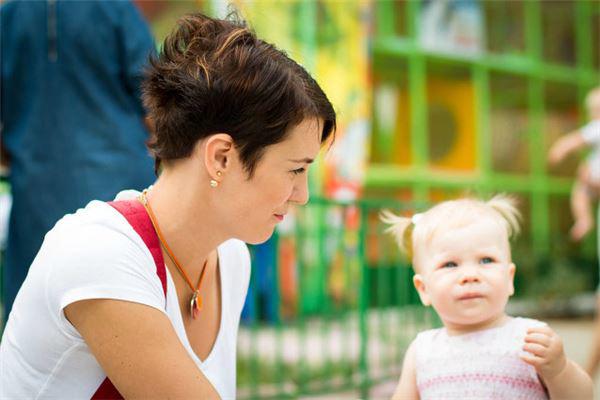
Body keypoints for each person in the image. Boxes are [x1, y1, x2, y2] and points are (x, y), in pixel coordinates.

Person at [0, 11, 336, 399]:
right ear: (221, 158)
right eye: (295, 169)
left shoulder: (230, 257)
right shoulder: (97, 254)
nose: (303, 195)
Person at [0, 0, 157, 317]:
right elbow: (158, 105)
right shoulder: (115, 10)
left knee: (41, 323)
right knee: (130, 316)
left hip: (37, 202)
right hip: (120, 202)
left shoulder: (10, 17)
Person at [381, 196, 593, 399]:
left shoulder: (529, 338)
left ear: (509, 278)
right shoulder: (421, 352)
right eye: (450, 264)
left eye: (486, 260)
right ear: (424, 289)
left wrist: (559, 370)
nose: (470, 275)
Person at [548, 86, 600, 242]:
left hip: (593, 178)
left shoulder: (597, 127)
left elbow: (575, 140)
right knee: (581, 193)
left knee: (579, 193)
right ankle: (584, 220)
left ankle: (584, 220)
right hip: (592, 179)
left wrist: (558, 149)